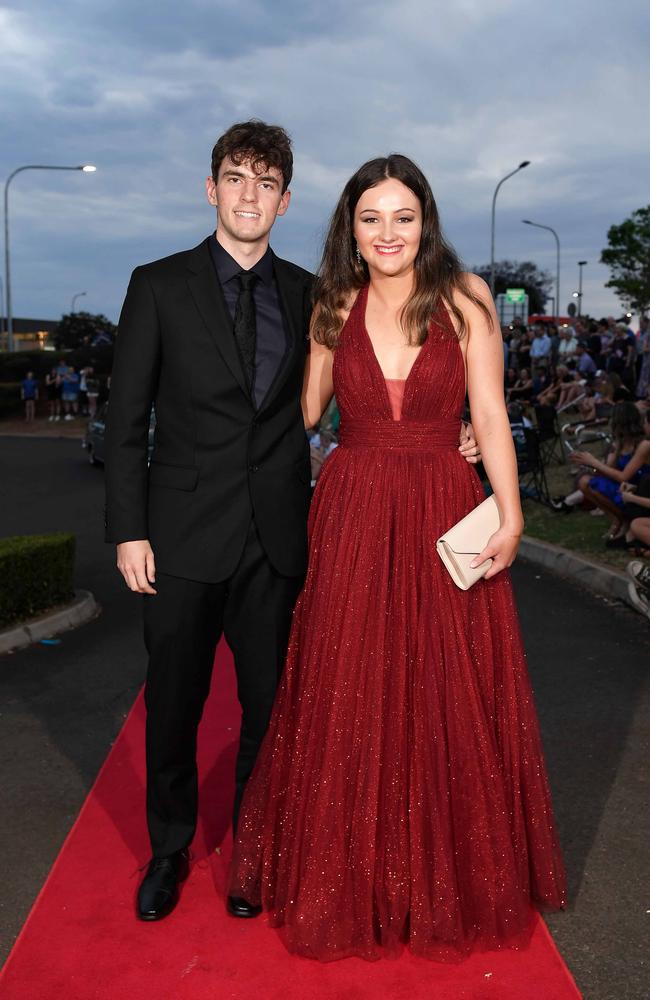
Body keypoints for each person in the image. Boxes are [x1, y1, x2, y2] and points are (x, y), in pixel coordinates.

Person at [104, 123, 482, 925]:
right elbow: (126, 413)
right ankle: (168, 853)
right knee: (173, 705)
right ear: (212, 189)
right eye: (236, 178)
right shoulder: (158, 285)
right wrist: (127, 530)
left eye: (266, 183)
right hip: (177, 536)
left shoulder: (314, 292)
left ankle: (255, 853)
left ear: (284, 198)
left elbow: (346, 391)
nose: (249, 195)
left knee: (276, 709)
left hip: (280, 538)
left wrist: (453, 427)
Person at [229, 154, 566, 962]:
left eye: (403, 216)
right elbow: (306, 412)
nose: (388, 233)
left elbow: (487, 412)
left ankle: (435, 878)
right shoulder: (332, 300)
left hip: (444, 504)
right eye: (371, 217)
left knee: (444, 686)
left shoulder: (466, 296)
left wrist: (512, 518)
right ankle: (355, 880)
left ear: (427, 221)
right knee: (350, 687)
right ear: (351, 225)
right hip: (352, 506)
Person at [569, 401, 650, 543]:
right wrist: (589, 464)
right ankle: (617, 520)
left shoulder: (643, 445)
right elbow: (603, 472)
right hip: (624, 485)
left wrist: (594, 462)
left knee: (596, 485)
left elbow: (624, 476)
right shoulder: (620, 442)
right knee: (585, 482)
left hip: (639, 490)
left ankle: (625, 520)